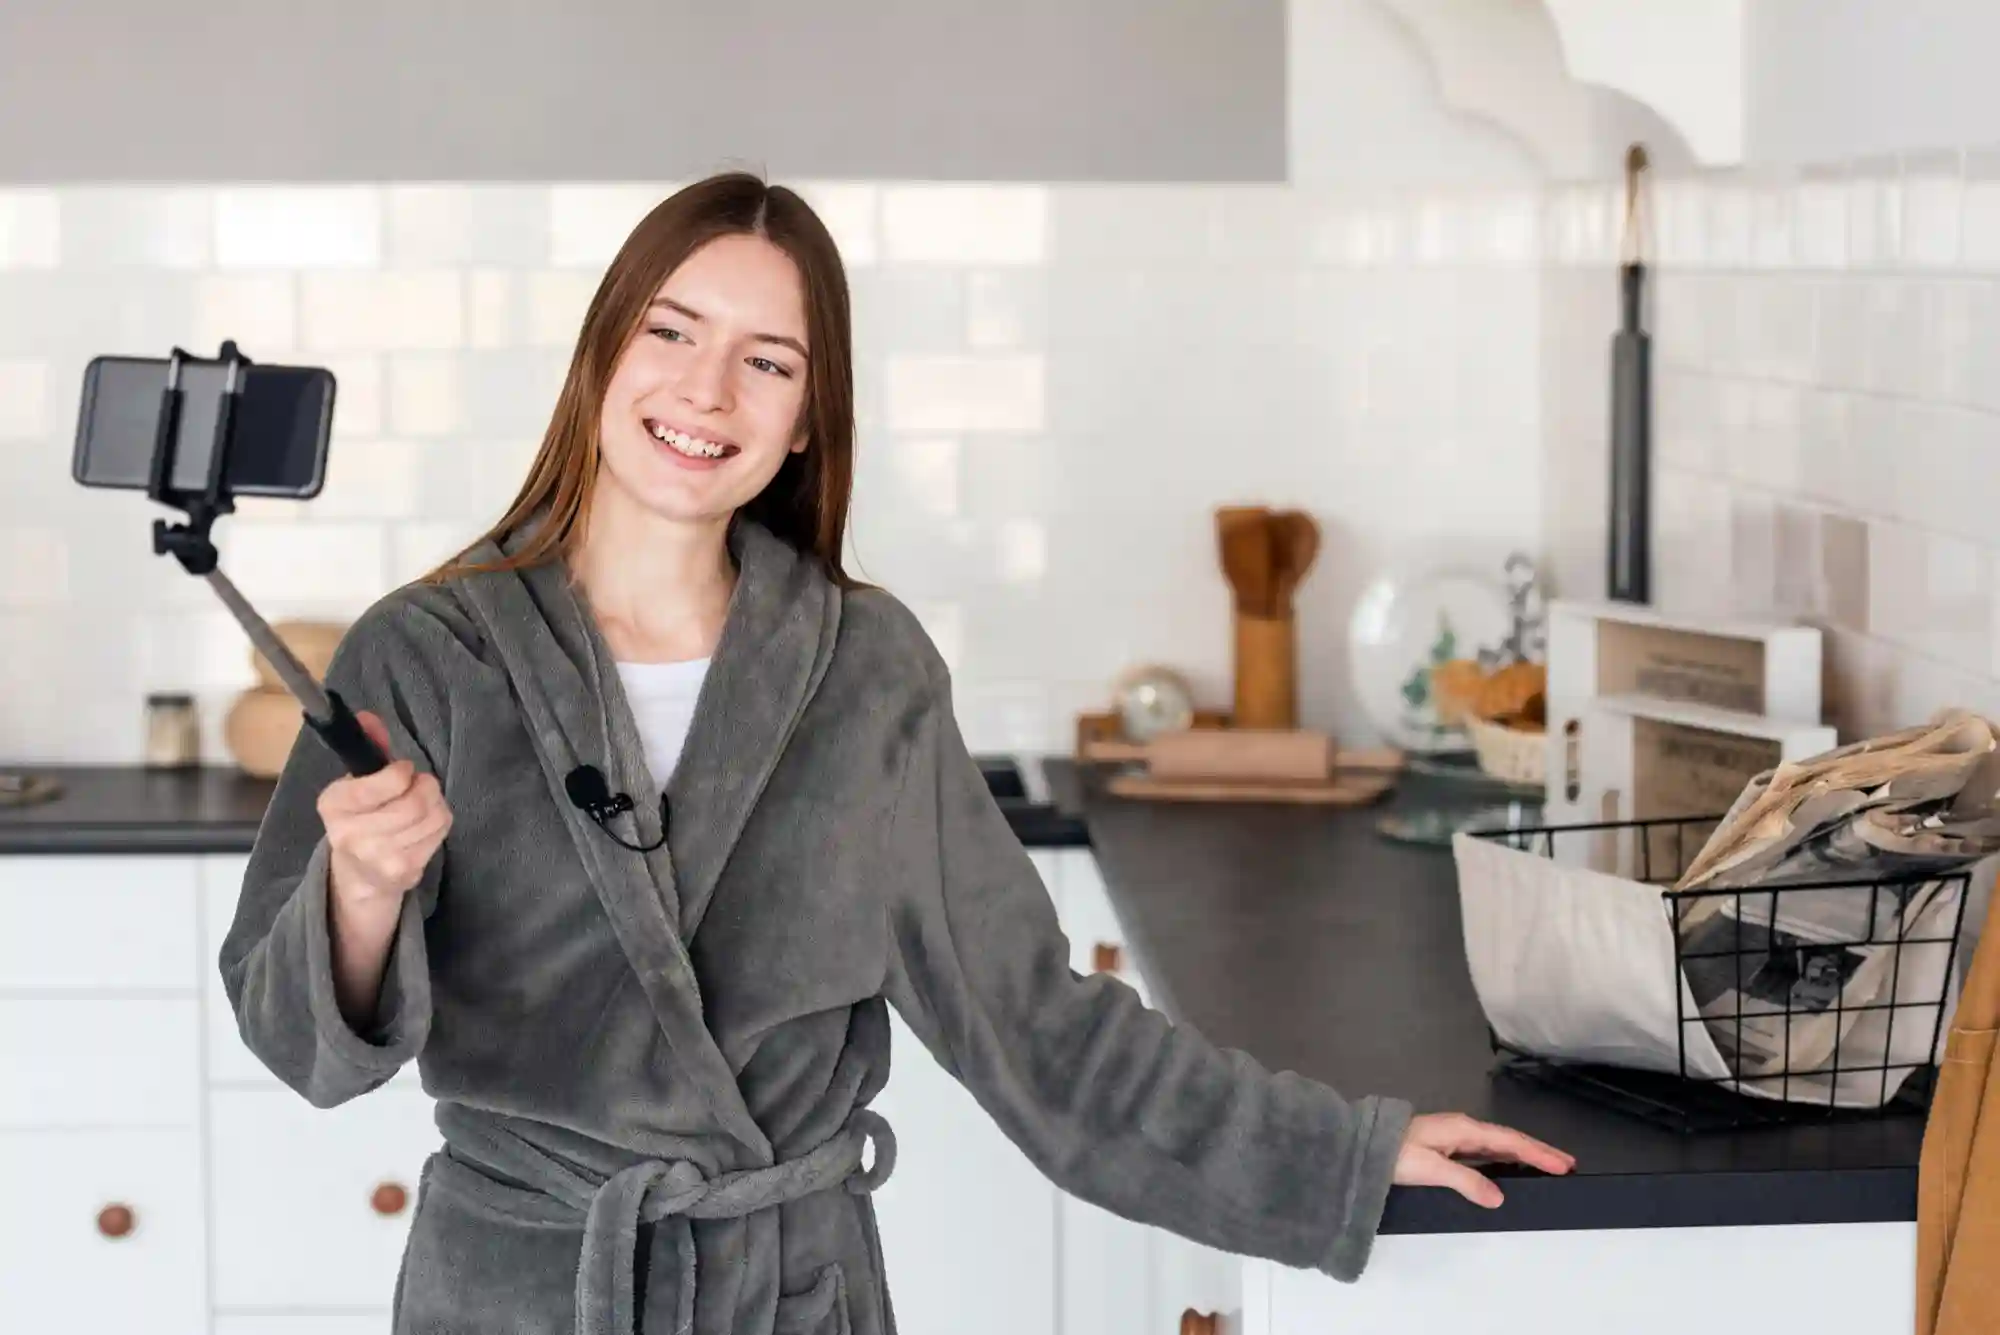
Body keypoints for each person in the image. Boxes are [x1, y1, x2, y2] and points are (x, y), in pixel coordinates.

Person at [219, 171, 1572, 1335]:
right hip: (522, 1293)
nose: (707, 388)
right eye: (671, 330)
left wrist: (1340, 1152)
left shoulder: (865, 670)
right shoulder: (425, 655)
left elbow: (1036, 1031)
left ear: (809, 417)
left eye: (768, 361)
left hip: (790, 1293)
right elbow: (299, 1045)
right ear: (600, 356)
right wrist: (362, 891)